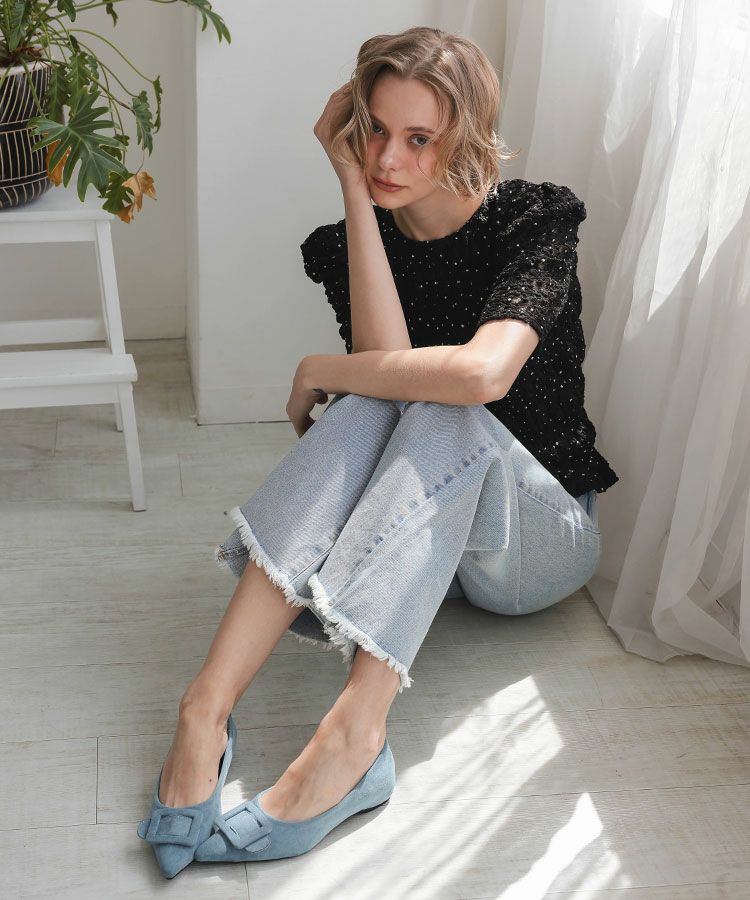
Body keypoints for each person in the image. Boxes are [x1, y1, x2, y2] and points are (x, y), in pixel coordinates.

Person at [139, 25, 618, 871]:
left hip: (539, 541)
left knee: (444, 405)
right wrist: (353, 192)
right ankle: (204, 710)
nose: (390, 158)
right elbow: (385, 374)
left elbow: (482, 376)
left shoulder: (534, 219)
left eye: (420, 138)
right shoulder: (348, 242)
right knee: (381, 398)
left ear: (466, 136)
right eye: (375, 131)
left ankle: (354, 738)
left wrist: (316, 368)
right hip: (433, 546)